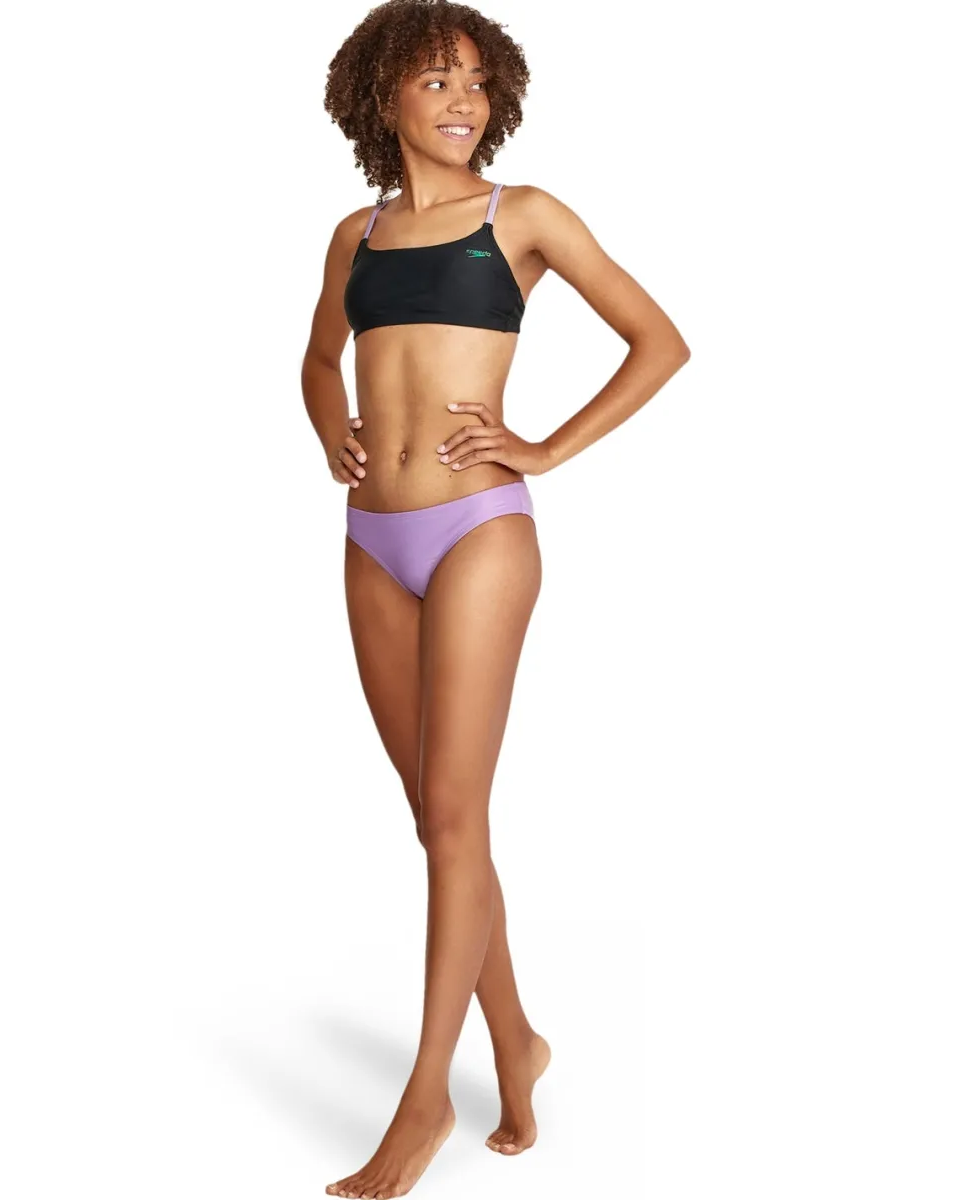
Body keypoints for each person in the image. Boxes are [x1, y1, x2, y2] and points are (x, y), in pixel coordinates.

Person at [301, 2, 690, 1195]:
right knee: (438, 820)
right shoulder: (356, 235)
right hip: (374, 541)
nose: (462, 101)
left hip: (479, 532)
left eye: (476, 82)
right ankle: (516, 1042)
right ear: (382, 99)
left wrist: (546, 448)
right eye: (435, 81)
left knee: (456, 813)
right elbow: (318, 357)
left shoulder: (522, 217)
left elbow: (660, 341)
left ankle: (426, 1100)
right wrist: (329, 425)